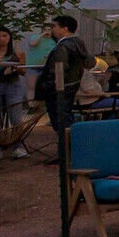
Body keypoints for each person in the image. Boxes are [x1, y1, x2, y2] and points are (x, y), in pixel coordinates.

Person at [37, 15, 92, 165]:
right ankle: (68, 153)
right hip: (69, 88)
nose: (52, 30)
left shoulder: (63, 46)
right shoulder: (78, 44)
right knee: (64, 121)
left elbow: (58, 69)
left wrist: (49, 86)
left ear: (64, 29)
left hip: (60, 90)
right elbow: (90, 62)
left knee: (61, 122)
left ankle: (66, 154)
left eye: (55, 26)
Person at [0, 26, 29, 159]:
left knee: (15, 116)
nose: (2, 39)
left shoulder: (17, 52)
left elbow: (24, 71)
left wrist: (15, 68)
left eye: (4, 36)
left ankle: (18, 146)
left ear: (9, 37)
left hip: (13, 85)